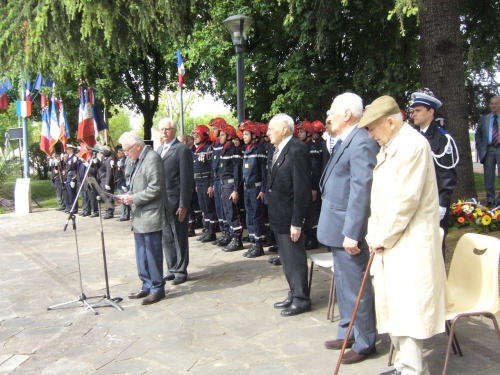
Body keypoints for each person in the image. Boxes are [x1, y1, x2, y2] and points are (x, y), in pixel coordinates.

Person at [359, 95, 447, 375]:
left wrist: (382, 236)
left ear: (390, 122)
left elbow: (405, 200)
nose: (370, 134)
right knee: (392, 303)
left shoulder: (412, 145)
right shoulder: (391, 144)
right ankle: (402, 365)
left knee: (408, 307)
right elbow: (380, 199)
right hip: (390, 240)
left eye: (373, 128)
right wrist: (374, 233)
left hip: (409, 241)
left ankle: (412, 369)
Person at [318, 93, 378, 364]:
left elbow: (361, 190)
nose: (327, 116)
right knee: (343, 283)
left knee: (356, 286)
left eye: (332, 111)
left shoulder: (361, 142)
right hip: (336, 226)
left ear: (347, 114)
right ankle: (348, 332)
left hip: (347, 230)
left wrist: (352, 232)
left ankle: (365, 341)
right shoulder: (346, 140)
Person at [266, 113, 314, 317]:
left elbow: (302, 188)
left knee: (294, 258)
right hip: (279, 214)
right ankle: (294, 292)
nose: (267, 132)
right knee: (286, 259)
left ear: (284, 129)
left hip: (290, 216)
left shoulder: (296, 149)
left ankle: (301, 299)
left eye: (271, 128)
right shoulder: (278, 149)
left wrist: (297, 221)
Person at [116, 131, 168, 305]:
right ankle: (146, 284)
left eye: (127, 150)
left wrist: (134, 198)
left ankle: (157, 288)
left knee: (152, 253)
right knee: (141, 254)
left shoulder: (152, 158)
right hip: (139, 215)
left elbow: (156, 188)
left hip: (150, 214)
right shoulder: (137, 159)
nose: (126, 154)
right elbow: (138, 184)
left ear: (137, 146)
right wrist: (126, 196)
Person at [410, 90, 458, 257]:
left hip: (434, 201)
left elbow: (447, 175)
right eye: (413, 110)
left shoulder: (442, 138)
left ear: (430, 111)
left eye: (418, 110)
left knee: (435, 249)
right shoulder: (414, 136)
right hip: (417, 200)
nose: (413, 114)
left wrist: (443, 204)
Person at [157, 118, 195, 285]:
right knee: (166, 237)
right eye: (161, 130)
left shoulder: (181, 150)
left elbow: (186, 179)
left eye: (167, 129)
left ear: (174, 130)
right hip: (162, 201)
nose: (164, 132)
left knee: (179, 236)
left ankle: (181, 269)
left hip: (176, 199)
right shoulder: (159, 149)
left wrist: (184, 204)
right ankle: (171, 268)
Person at [240, 120, 267, 258]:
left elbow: (264, 172)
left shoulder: (259, 150)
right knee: (249, 215)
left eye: (246, 134)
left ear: (254, 135)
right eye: (243, 134)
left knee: (257, 216)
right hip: (247, 188)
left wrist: (263, 189)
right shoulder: (247, 150)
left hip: (256, 189)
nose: (243, 136)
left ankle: (259, 244)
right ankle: (253, 241)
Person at [217, 123, 244, 252]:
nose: (219, 137)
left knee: (233, 212)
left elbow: (238, 172)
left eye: (222, 135)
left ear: (229, 136)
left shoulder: (234, 150)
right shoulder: (224, 149)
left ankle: (237, 238)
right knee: (227, 212)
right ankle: (232, 236)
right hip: (224, 185)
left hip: (230, 185)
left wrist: (235, 190)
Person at [191, 125, 217, 242]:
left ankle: (211, 231)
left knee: (209, 207)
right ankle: (206, 229)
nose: (195, 138)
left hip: (206, 181)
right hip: (199, 182)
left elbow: (212, 168)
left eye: (197, 135)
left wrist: (211, 185)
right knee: (203, 208)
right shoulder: (198, 149)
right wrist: (196, 183)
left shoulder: (208, 149)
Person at [476, 95, 500, 206]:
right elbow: (478, 134)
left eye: (496, 103)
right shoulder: (484, 118)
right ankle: (490, 199)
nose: (493, 105)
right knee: (488, 176)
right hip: (488, 150)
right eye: (492, 103)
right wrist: (480, 147)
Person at [99, 149, 116, 219]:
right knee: (106, 197)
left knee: (109, 197)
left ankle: (109, 212)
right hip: (103, 180)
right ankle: (107, 211)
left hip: (106, 180)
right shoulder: (105, 159)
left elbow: (109, 172)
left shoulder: (109, 160)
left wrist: (107, 183)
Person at [116, 149, 131, 222]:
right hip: (120, 182)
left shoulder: (127, 159)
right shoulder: (121, 160)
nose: (118, 154)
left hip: (125, 182)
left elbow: (125, 173)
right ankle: (124, 214)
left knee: (127, 200)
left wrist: (123, 184)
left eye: (120, 152)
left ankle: (126, 215)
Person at [65, 145, 80, 213]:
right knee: (69, 194)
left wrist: (73, 179)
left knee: (72, 194)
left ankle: (74, 208)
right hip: (68, 178)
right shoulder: (69, 158)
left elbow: (75, 169)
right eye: (67, 149)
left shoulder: (74, 157)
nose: (67, 151)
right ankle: (71, 207)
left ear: (71, 150)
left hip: (71, 177)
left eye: (68, 149)